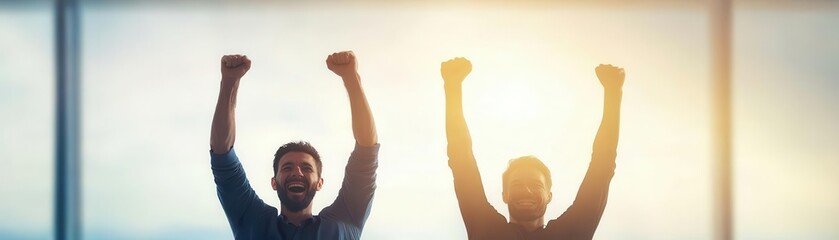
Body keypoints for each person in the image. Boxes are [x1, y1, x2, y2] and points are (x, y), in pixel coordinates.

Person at [442, 57, 624, 239]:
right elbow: (462, 161)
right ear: (504, 195)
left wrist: (613, 92)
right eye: (517, 184)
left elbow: (602, 167)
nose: (526, 191)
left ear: (549, 196)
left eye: (536, 185)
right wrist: (452, 85)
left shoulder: (570, 233)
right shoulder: (487, 230)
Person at [209, 51, 380, 240]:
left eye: (306, 168)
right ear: (274, 182)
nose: (297, 172)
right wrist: (229, 83)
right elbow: (222, 153)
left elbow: (367, 149)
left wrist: (351, 78)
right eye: (287, 167)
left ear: (320, 182)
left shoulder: (345, 219)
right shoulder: (252, 220)